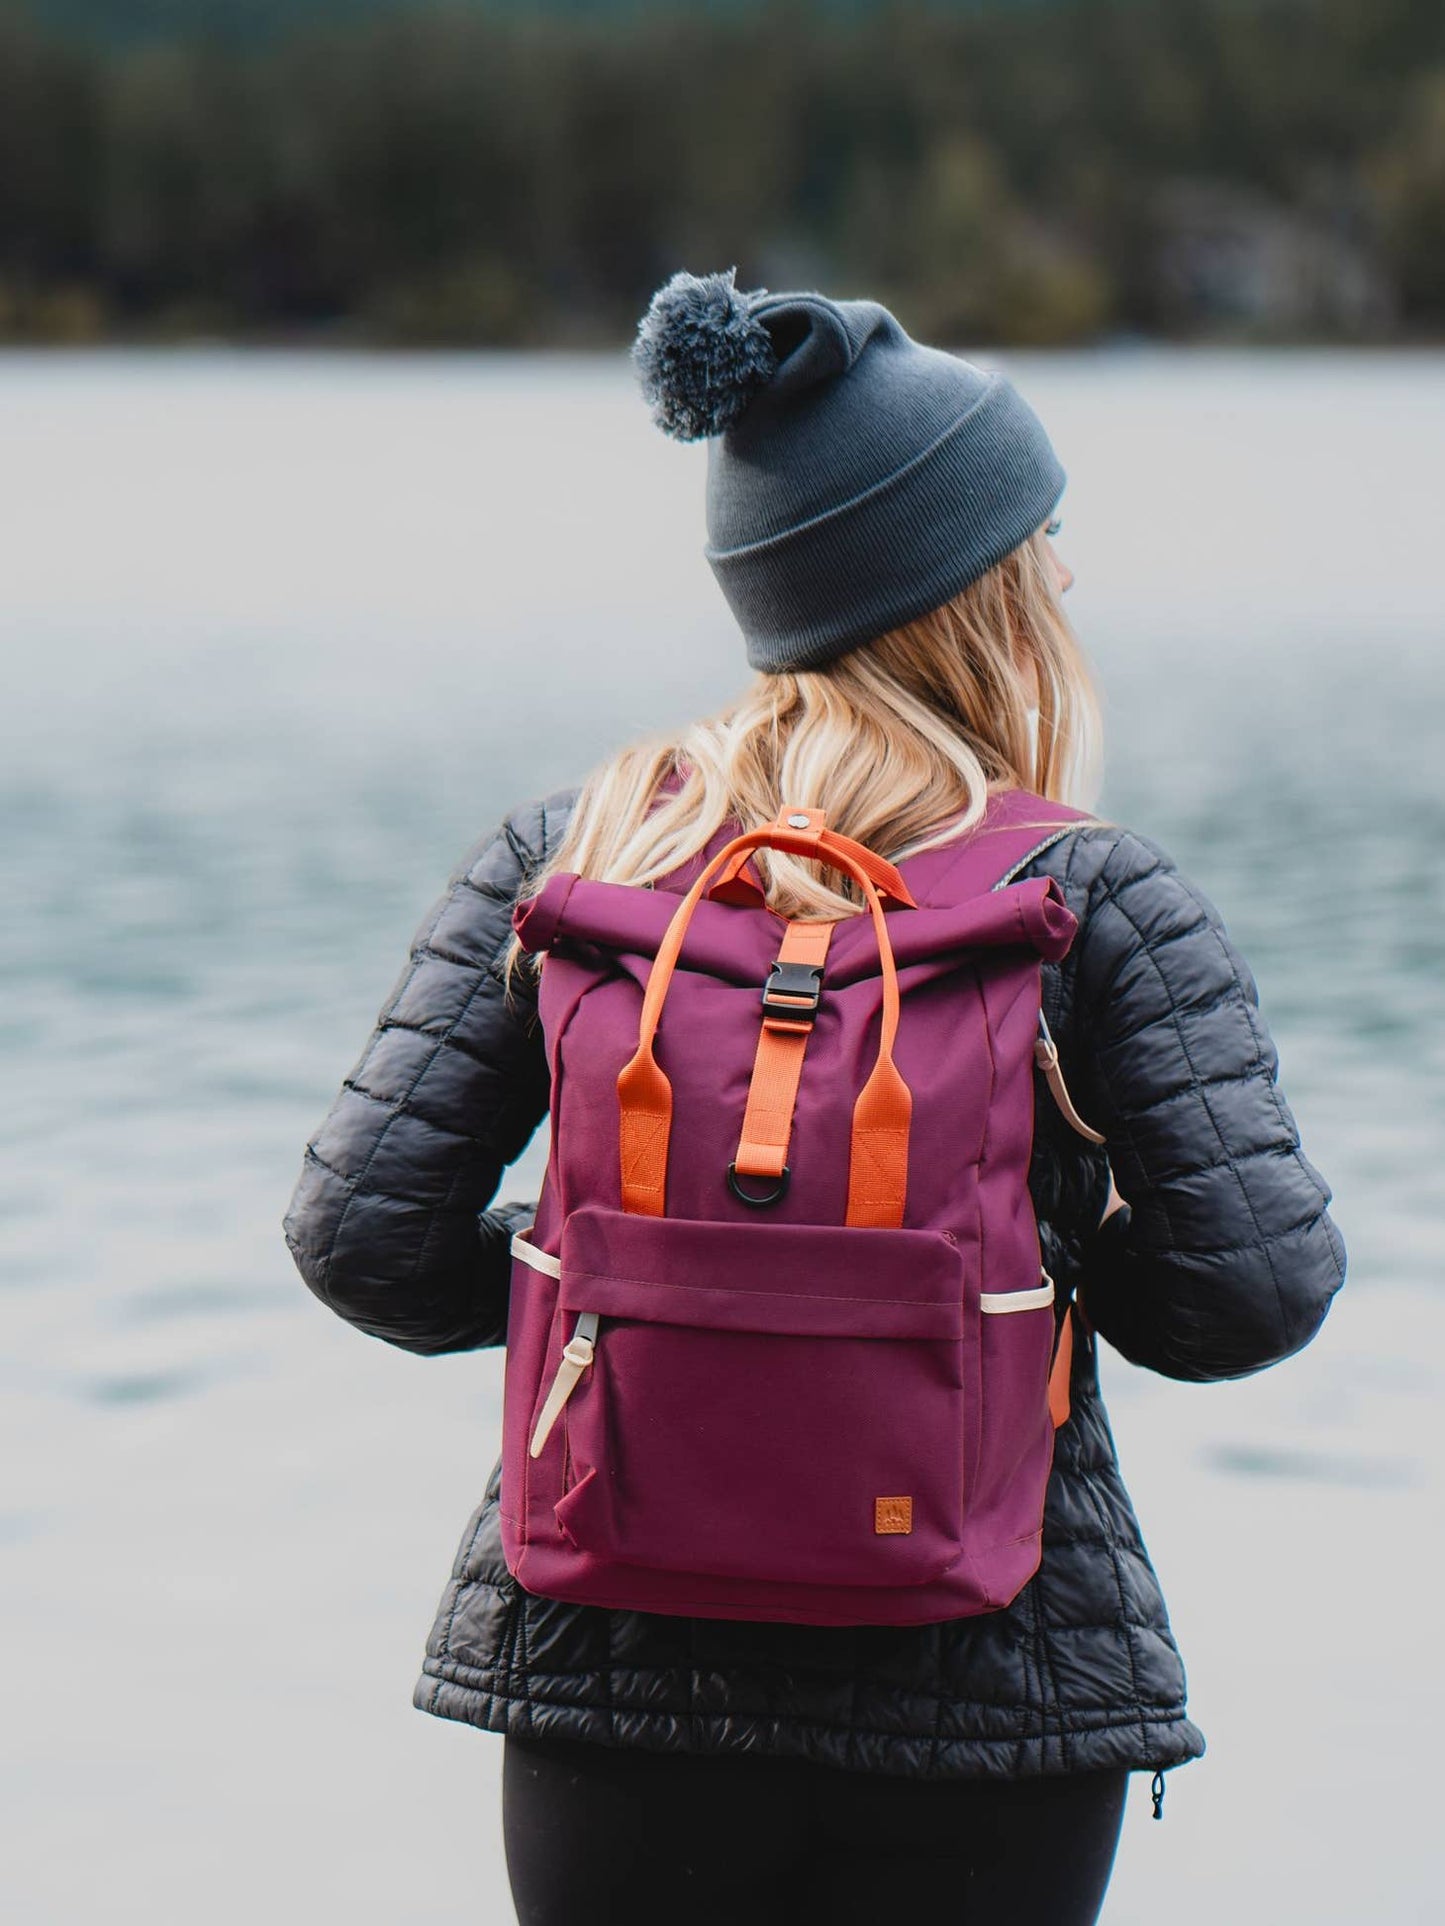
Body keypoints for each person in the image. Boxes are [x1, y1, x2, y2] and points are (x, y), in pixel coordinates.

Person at [282, 267, 1346, 1925]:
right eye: (1038, 543)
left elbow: (358, 1233)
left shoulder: (574, 859)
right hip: (992, 1672)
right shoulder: (1090, 896)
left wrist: (618, 1304)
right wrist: (1011, 1299)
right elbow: (1253, 1289)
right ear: (980, 592)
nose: (1063, 571)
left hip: (611, 1673)